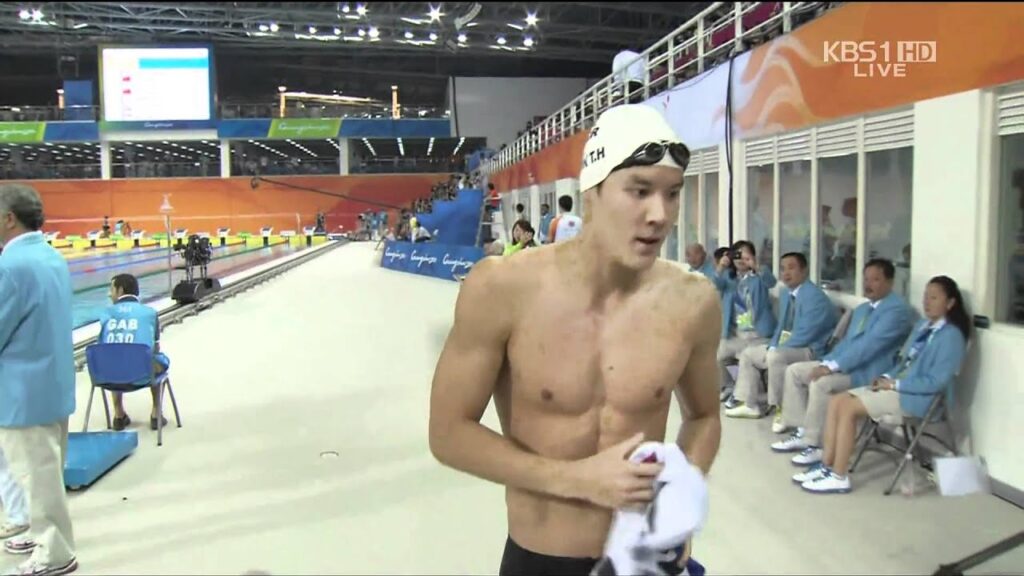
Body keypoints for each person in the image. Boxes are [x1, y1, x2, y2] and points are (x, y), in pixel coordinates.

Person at [429, 104, 721, 575]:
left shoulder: (694, 301)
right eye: (639, 191)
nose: (659, 214)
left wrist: (681, 498)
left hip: (643, 561)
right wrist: (577, 479)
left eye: (672, 194)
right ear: (593, 191)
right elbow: (447, 434)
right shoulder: (503, 288)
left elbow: (704, 416)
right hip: (541, 557)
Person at [797, 276, 970, 494]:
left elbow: (936, 382)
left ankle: (839, 476)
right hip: (896, 387)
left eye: (934, 297)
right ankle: (826, 466)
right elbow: (903, 361)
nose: (927, 302)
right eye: (926, 296)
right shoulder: (923, 326)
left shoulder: (952, 336)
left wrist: (895, 384)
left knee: (848, 408)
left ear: (950, 303)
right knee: (837, 401)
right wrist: (886, 376)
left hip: (916, 397)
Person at [0, 183, 78, 575]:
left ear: (9, 218)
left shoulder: (10, 267)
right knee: (46, 474)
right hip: (53, 384)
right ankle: (40, 537)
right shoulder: (51, 257)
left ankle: (55, 554)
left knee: (37, 479)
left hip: (22, 393)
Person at [772, 259, 914, 462]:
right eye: (866, 279)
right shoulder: (864, 309)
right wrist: (827, 362)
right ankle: (802, 430)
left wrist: (831, 368)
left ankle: (816, 443)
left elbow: (869, 347)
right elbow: (848, 344)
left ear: (890, 282)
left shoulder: (897, 311)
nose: (868, 284)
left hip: (868, 372)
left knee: (822, 383)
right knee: (794, 371)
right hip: (846, 365)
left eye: (875, 279)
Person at [725, 252, 837, 423]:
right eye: (783, 269)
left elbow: (805, 334)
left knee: (775, 356)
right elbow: (781, 327)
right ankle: (750, 404)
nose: (786, 273)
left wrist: (776, 349)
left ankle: (779, 408)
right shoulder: (786, 293)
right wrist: (773, 344)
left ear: (804, 271)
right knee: (749, 354)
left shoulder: (815, 297)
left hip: (810, 349)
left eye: (791, 268)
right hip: (788, 346)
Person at [98, 274, 171, 432]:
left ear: (120, 290)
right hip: (142, 374)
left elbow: (102, 346)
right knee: (157, 359)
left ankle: (118, 415)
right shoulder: (149, 313)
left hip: (108, 376)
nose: (109, 294)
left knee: (113, 358)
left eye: (111, 289)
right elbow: (155, 348)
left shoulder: (105, 314)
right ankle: (156, 413)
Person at [713, 241, 777, 403]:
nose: (740, 259)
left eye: (744, 254)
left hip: (759, 335)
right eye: (736, 255)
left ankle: (744, 392)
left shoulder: (759, 277)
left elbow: (772, 282)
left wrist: (755, 265)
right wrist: (720, 267)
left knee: (746, 357)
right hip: (737, 334)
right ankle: (731, 385)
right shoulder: (730, 278)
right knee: (721, 354)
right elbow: (713, 284)